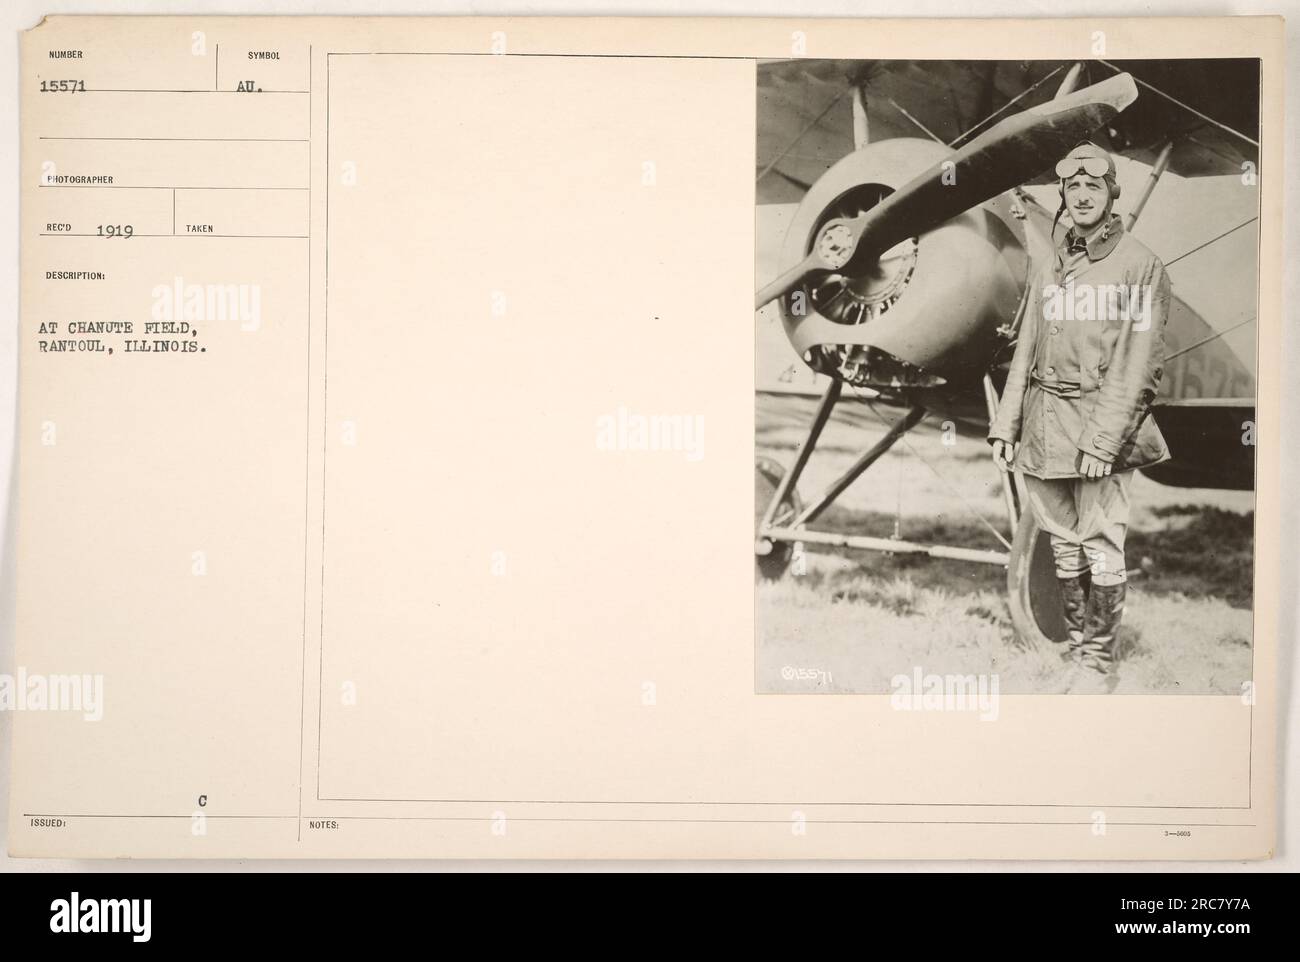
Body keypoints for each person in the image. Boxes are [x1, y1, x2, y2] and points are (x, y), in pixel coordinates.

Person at [988, 141, 1172, 692]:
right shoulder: (1052, 265)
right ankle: (1075, 650)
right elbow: (1027, 348)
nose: (1083, 195)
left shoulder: (1141, 266)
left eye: (1095, 186)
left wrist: (1102, 441)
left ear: (1111, 194)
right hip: (1046, 427)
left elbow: (1138, 367)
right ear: (1064, 197)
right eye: (1073, 187)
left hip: (1099, 429)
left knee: (1102, 543)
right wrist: (1007, 423)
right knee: (1064, 543)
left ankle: (1097, 664)